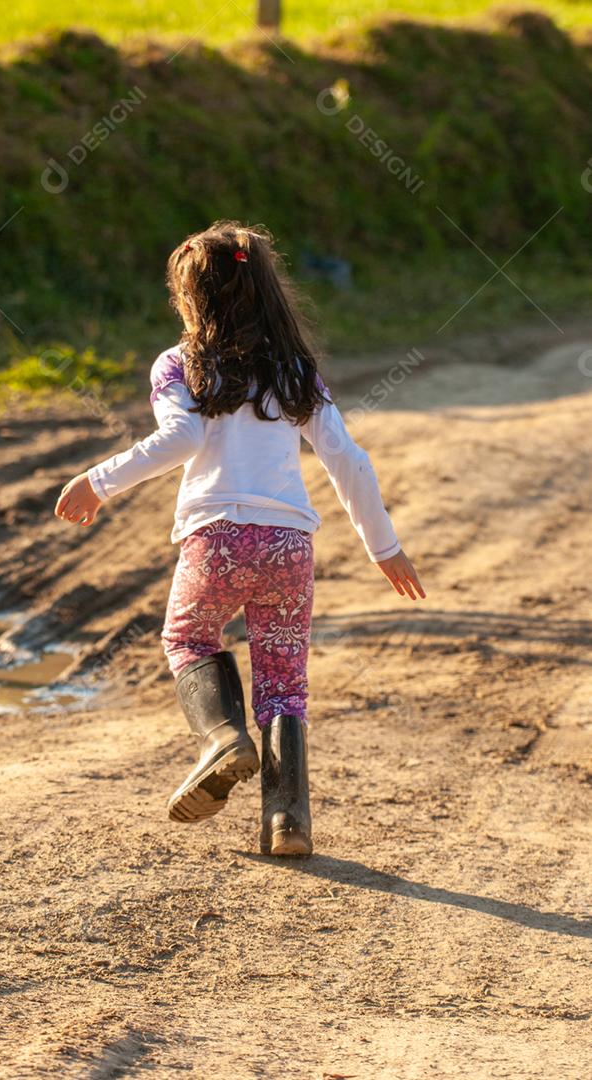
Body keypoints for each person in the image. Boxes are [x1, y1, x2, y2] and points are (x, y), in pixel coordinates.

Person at [55, 220, 425, 857]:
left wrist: (99, 480)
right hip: (289, 546)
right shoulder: (295, 372)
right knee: (284, 685)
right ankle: (287, 821)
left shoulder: (178, 364)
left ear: (191, 300)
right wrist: (384, 547)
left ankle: (222, 738)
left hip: (217, 541)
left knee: (188, 638)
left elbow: (181, 438)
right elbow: (349, 459)